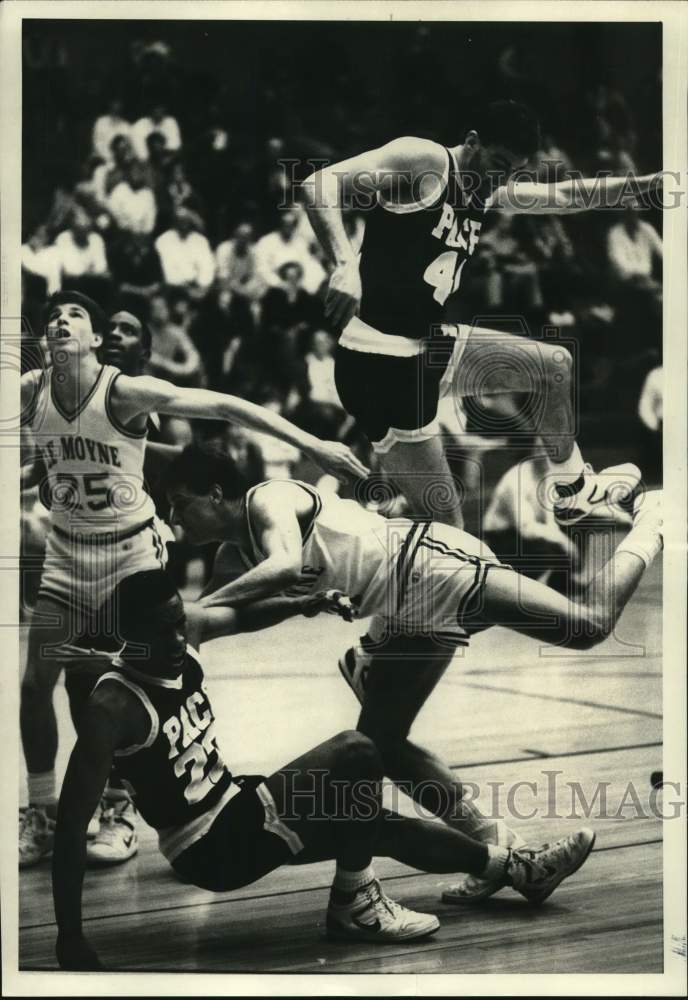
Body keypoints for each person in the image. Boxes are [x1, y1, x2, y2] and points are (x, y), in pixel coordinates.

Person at [163, 444, 662, 903]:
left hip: (428, 565)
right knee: (379, 746)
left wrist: (197, 606)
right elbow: (213, 622)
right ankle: (502, 853)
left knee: (585, 627)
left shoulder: (267, 499)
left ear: (216, 494)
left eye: (179, 503)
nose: (173, 516)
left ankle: (652, 520)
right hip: (401, 608)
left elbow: (284, 567)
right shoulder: (232, 558)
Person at [52, 569, 596, 970]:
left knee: (369, 820)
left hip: (236, 803)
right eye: (161, 632)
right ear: (129, 635)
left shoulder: (175, 638)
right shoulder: (112, 708)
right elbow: (72, 826)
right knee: (357, 751)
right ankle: (354, 906)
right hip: (205, 846)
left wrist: (304, 602)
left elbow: (238, 615)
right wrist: (70, 937)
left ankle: (518, 871)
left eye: (179, 625)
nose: (177, 640)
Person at [18, 291, 368, 868]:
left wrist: (312, 443)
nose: (60, 320)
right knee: (37, 686)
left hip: (128, 553)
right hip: (66, 553)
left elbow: (226, 407)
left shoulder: (123, 392)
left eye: (76, 314)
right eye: (53, 314)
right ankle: (44, 812)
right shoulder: (32, 390)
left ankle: (118, 805)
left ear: (96, 338)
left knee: (113, 686)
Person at [301, 98, 659, 530]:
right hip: (379, 362)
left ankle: (572, 492)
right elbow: (318, 183)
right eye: (499, 164)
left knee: (554, 367)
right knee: (451, 533)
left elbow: (566, 196)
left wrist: (645, 184)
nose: (502, 178)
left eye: (512, 171)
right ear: (472, 142)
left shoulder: (485, 187)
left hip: (430, 345)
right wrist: (344, 263)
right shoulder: (425, 161)